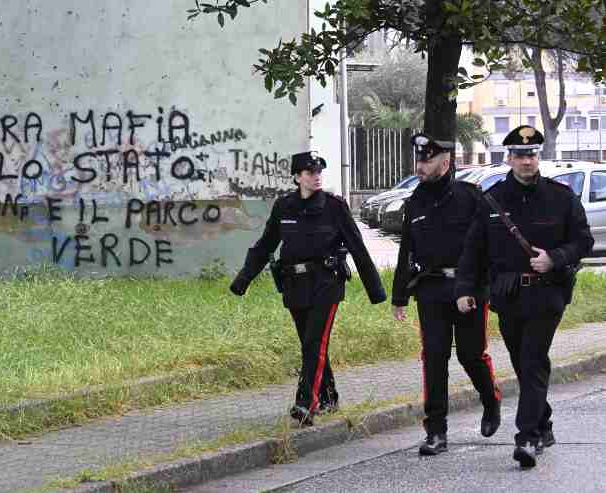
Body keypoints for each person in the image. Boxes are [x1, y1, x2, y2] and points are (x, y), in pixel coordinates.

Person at [455, 125, 594, 468]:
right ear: (509, 158)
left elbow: (583, 242)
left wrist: (555, 258)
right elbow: (474, 249)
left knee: (532, 359)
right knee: (522, 363)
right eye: (519, 155)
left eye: (531, 154)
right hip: (508, 294)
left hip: (548, 295)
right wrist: (464, 289)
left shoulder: (561, 197)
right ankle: (542, 421)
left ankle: (527, 438)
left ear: (538, 156)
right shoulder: (493, 199)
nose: (526, 160)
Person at [229, 151, 386, 426]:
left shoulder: (335, 207)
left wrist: (377, 292)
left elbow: (358, 248)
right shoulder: (284, 207)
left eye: (318, 172)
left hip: (326, 283)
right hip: (294, 285)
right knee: (310, 344)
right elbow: (266, 245)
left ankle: (306, 403)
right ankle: (328, 396)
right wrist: (244, 279)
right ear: (297, 177)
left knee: (314, 341)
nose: (316, 177)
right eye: (310, 172)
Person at [391, 133, 502, 456]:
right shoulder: (415, 202)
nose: (421, 166)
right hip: (431, 289)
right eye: (419, 160)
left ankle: (490, 399)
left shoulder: (470, 197)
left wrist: (484, 288)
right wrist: (399, 296)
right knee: (434, 357)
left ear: (446, 161)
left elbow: (488, 247)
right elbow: (406, 251)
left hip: (466, 289)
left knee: (470, 354)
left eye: (427, 160)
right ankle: (436, 431)